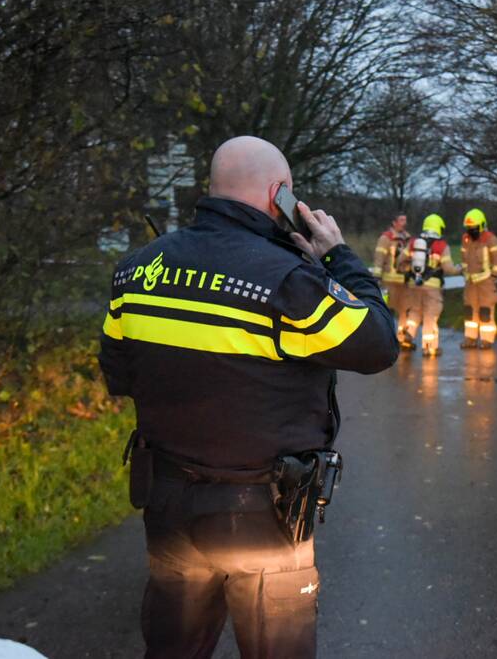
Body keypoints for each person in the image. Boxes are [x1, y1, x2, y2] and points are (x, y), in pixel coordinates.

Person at [98, 136, 398, 658]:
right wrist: (338, 256)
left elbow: (120, 376)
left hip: (168, 501)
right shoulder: (288, 282)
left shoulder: (136, 271)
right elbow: (378, 342)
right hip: (265, 515)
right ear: (278, 194)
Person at [399, 213, 460, 356]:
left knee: (414, 312)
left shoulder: (414, 242)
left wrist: (408, 270)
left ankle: (407, 338)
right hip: (432, 288)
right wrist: (460, 269)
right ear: (439, 228)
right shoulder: (441, 245)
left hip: (414, 285)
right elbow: (448, 269)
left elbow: (400, 261)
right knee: (430, 316)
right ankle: (430, 347)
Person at [459, 208, 497, 349]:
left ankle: (486, 340)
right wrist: (465, 273)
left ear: (482, 225)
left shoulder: (491, 239)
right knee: (470, 312)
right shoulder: (466, 239)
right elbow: (464, 258)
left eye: (474, 227)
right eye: (469, 227)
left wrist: (494, 276)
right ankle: (470, 339)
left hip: (486, 282)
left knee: (485, 311)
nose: (471, 230)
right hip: (471, 282)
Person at [371, 213, 412, 349]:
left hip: (404, 282)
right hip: (389, 282)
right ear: (394, 222)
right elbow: (379, 257)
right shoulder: (386, 238)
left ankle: (402, 339)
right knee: (387, 310)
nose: (404, 223)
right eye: (401, 220)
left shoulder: (408, 238)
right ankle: (385, 339)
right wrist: (377, 277)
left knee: (404, 311)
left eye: (405, 220)